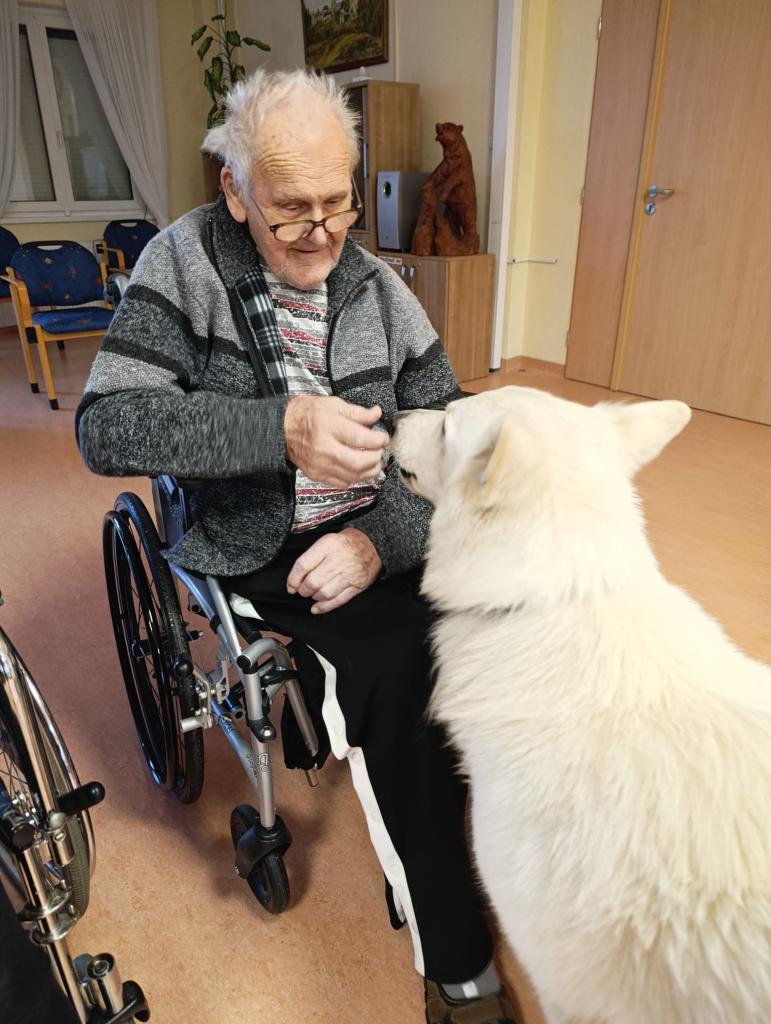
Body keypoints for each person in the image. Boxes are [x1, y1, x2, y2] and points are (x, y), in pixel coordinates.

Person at [77, 69, 519, 1024]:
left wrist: (380, 539)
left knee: (517, 617)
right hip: (258, 541)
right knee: (405, 671)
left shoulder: (379, 287)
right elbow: (107, 427)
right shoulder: (181, 264)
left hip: (376, 525)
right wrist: (277, 430)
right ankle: (459, 960)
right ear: (235, 191)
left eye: (338, 203)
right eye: (290, 211)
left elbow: (448, 433)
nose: (321, 233)